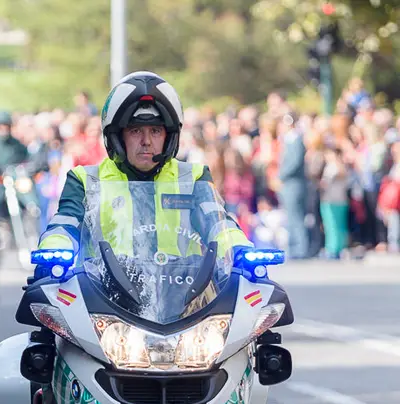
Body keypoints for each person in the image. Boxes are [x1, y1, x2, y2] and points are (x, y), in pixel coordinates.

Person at [34, 71, 251, 276]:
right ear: (117, 136)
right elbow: (65, 223)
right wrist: (54, 249)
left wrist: (239, 248)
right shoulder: (86, 179)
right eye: (136, 130)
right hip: (103, 299)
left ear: (169, 137)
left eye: (155, 131)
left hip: (185, 300)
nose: (146, 141)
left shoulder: (192, 177)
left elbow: (217, 222)